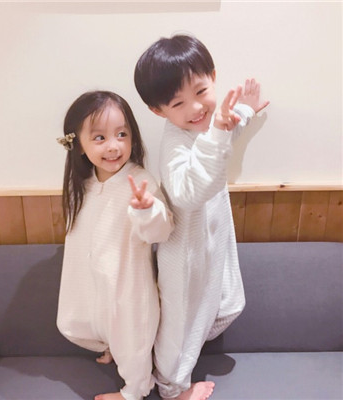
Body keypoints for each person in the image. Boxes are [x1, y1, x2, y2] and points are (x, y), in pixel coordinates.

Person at [134, 34, 270, 400]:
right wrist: (221, 128)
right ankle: (172, 387)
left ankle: (191, 344)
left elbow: (224, 130)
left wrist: (245, 111)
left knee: (227, 302)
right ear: (159, 111)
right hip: (184, 252)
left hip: (212, 238)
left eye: (201, 91)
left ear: (213, 77)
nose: (195, 108)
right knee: (179, 323)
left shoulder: (210, 123)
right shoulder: (175, 143)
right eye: (178, 103)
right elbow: (187, 192)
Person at [56, 91, 174, 400]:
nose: (113, 146)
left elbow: (161, 231)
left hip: (128, 284)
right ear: (78, 145)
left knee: (132, 335)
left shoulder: (140, 181)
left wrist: (146, 209)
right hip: (95, 281)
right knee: (91, 319)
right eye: (99, 137)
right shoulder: (82, 186)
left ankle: (136, 390)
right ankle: (111, 346)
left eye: (122, 134)